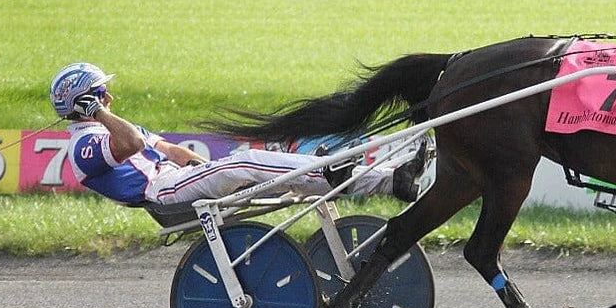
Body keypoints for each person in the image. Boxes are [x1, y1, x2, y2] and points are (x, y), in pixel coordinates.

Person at [49, 62, 424, 209]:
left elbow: (170, 150)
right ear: (83, 103)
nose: (110, 98)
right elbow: (131, 144)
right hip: (162, 192)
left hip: (180, 180)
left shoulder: (110, 128)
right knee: (246, 161)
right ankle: (327, 174)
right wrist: (99, 113)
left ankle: (392, 179)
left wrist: (209, 169)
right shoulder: (83, 146)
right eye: (101, 94)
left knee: (257, 158)